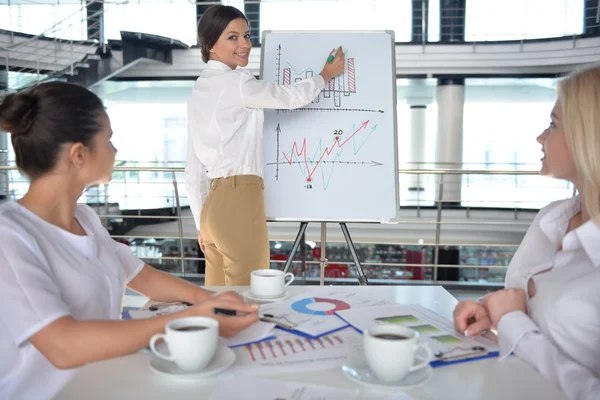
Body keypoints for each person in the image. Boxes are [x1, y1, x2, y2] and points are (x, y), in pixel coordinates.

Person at [0, 82, 260, 400]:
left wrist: (207, 301)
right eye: (108, 140)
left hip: (106, 382)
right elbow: (63, 345)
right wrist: (190, 317)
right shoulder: (9, 236)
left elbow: (143, 277)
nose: (115, 151)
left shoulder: (85, 219)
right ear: (78, 155)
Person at [453, 66, 600, 400]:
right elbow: (526, 308)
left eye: (553, 125)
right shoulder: (552, 218)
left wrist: (513, 323)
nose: (540, 137)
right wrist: (488, 311)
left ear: (590, 136)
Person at [185, 5, 345, 286]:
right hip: (239, 200)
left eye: (246, 35)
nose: (245, 44)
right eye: (232, 37)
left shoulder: (199, 89)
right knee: (249, 296)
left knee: (217, 303)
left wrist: (201, 222)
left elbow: (193, 165)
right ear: (210, 45)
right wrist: (326, 75)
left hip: (212, 207)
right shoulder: (235, 82)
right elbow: (289, 97)